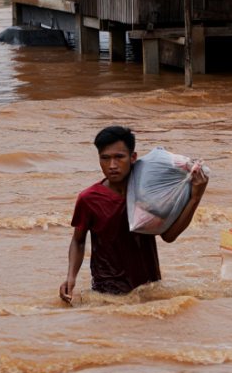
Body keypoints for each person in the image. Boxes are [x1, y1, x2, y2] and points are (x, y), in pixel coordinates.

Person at [61, 126, 208, 302]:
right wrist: (71, 277)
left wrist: (195, 197)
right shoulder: (89, 199)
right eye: (105, 159)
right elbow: (78, 240)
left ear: (133, 158)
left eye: (119, 157)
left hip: (150, 289)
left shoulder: (150, 193)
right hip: (107, 292)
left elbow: (169, 235)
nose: (112, 166)